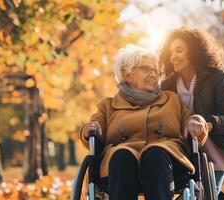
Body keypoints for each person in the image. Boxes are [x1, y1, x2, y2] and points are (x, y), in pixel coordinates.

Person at [80, 45, 209, 200]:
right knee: (122, 155)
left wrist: (197, 120)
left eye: (156, 71)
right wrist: (87, 130)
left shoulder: (172, 99)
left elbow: (191, 122)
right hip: (120, 163)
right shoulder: (107, 105)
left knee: (155, 153)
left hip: (168, 162)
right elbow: (93, 129)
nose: (154, 75)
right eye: (146, 69)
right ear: (126, 74)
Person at [160, 27, 224, 195]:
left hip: (213, 154)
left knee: (205, 195)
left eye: (179, 50)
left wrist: (205, 123)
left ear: (194, 51)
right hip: (181, 152)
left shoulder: (215, 76)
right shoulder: (166, 86)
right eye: (171, 52)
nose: (174, 56)